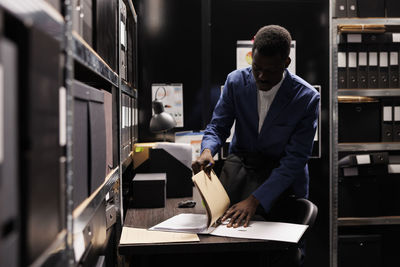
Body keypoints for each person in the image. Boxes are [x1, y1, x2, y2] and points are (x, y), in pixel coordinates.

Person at [192, 25, 320, 229]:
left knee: (279, 252)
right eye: (256, 68)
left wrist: (255, 200)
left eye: (269, 71)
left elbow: (295, 159)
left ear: (286, 62)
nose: (261, 76)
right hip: (242, 172)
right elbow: (218, 126)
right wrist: (207, 150)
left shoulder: (306, 98)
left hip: (281, 181)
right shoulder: (235, 82)